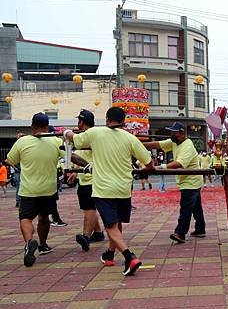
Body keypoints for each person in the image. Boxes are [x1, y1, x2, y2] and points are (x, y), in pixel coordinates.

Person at [64, 106, 153, 275]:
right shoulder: (130, 138)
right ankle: (110, 254)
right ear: (124, 122)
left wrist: (67, 132)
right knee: (117, 222)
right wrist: (148, 169)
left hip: (104, 189)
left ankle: (129, 256)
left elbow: (75, 139)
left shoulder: (95, 133)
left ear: (106, 120)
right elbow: (148, 162)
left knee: (110, 225)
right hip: (124, 188)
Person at [6, 113, 63, 266]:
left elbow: (9, 160)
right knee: (44, 218)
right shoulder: (56, 141)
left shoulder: (22, 142)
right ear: (47, 126)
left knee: (25, 218)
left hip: (28, 190)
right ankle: (43, 245)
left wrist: (19, 168)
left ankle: (29, 242)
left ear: (32, 127)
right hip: (49, 189)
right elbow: (69, 156)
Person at [144, 122, 206, 243]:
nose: (172, 135)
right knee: (196, 207)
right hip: (187, 180)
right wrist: (139, 145)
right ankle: (200, 229)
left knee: (186, 207)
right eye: (171, 133)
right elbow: (157, 144)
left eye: (175, 133)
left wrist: (161, 167)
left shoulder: (187, 145)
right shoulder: (174, 142)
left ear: (182, 133)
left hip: (190, 181)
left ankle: (180, 233)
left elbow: (179, 163)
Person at [69, 110, 105, 252]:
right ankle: (97, 233)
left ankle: (85, 236)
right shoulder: (83, 138)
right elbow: (80, 156)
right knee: (88, 208)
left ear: (82, 122)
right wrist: (75, 172)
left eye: (79, 121)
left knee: (89, 209)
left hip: (91, 179)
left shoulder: (89, 136)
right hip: (84, 178)